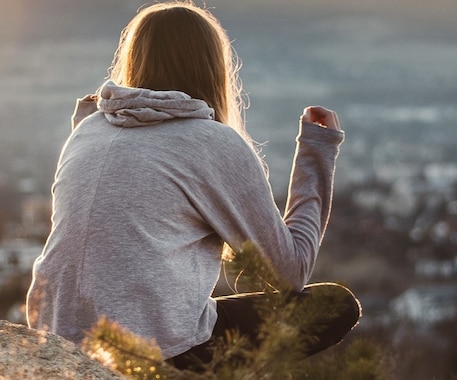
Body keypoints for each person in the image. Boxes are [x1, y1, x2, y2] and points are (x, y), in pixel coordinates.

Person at [26, 1, 361, 370]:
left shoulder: (88, 129)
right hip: (154, 350)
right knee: (336, 306)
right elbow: (290, 272)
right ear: (212, 67)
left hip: (56, 332)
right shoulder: (209, 141)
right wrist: (317, 151)